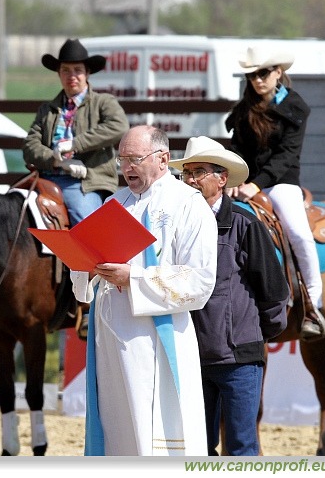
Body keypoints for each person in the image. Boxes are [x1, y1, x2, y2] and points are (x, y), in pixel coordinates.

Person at [70, 125, 217, 456]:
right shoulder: (113, 203)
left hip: (155, 339)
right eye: (122, 159)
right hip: (109, 337)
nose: (126, 168)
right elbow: (85, 271)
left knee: (153, 435)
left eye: (135, 159)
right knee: (116, 429)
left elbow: (201, 281)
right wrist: (80, 264)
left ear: (163, 159)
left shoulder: (188, 204)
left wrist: (133, 278)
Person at [169, 136, 288, 456]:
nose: (191, 180)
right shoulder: (174, 225)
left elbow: (274, 290)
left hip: (240, 359)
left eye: (199, 172)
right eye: (187, 173)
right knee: (195, 450)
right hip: (190, 357)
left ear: (222, 179)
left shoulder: (245, 224)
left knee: (240, 449)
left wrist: (254, 336)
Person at [22, 37, 129, 338]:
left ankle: (89, 304)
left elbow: (118, 127)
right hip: (48, 178)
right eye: (66, 70)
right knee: (10, 212)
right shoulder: (48, 109)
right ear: (59, 74)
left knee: (89, 224)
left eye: (78, 70)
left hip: (87, 181)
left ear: (87, 74)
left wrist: (76, 145)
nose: (72, 76)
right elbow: (30, 145)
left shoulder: (104, 103)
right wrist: (56, 158)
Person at [224, 47, 325, 342]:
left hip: (281, 183)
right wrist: (234, 177)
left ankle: (312, 306)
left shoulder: (296, 106)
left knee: (297, 232)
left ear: (278, 72)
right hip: (246, 182)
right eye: (252, 75)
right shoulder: (244, 109)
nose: (257, 80)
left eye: (263, 73)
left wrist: (257, 184)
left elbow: (287, 155)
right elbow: (238, 150)